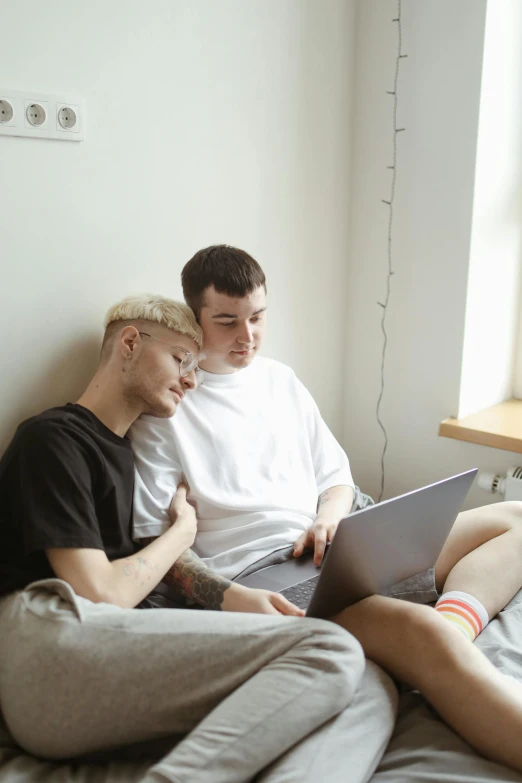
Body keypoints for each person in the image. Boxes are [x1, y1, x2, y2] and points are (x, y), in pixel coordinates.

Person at [131, 245, 522, 773]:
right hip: (265, 577)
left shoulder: (281, 380)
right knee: (419, 632)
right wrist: (233, 597)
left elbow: (336, 478)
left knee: (515, 516)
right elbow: (155, 546)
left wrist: (331, 517)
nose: (247, 337)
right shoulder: (167, 408)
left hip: (334, 548)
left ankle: (453, 627)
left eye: (257, 317)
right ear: (194, 318)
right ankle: (434, 643)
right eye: (226, 322)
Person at [0, 295, 396, 783]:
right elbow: (99, 591)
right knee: (331, 648)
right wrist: (183, 530)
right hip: (47, 642)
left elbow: (141, 575)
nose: (191, 377)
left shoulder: (128, 458)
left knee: (372, 683)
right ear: (130, 343)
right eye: (180, 360)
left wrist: (230, 596)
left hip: (104, 663)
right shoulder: (54, 438)